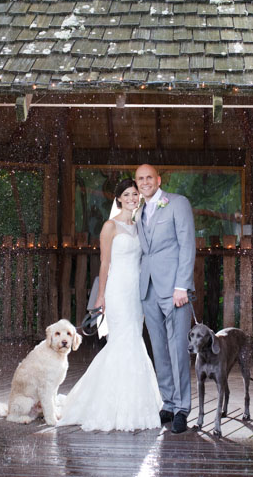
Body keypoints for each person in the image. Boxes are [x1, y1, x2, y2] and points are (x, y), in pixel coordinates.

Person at [59, 179, 163, 431]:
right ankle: (107, 406)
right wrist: (100, 296)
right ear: (118, 199)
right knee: (121, 342)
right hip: (117, 290)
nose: (131, 198)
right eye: (126, 194)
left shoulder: (141, 225)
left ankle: (135, 404)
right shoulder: (110, 226)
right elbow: (105, 263)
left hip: (136, 292)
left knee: (135, 340)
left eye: (134, 194)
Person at [135, 164, 196, 434]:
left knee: (177, 349)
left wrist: (182, 285)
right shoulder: (139, 211)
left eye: (149, 177)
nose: (145, 182)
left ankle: (182, 408)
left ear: (158, 180)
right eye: (140, 179)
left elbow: (187, 244)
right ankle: (168, 404)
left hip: (174, 289)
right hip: (148, 289)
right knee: (159, 349)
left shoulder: (177, 203)